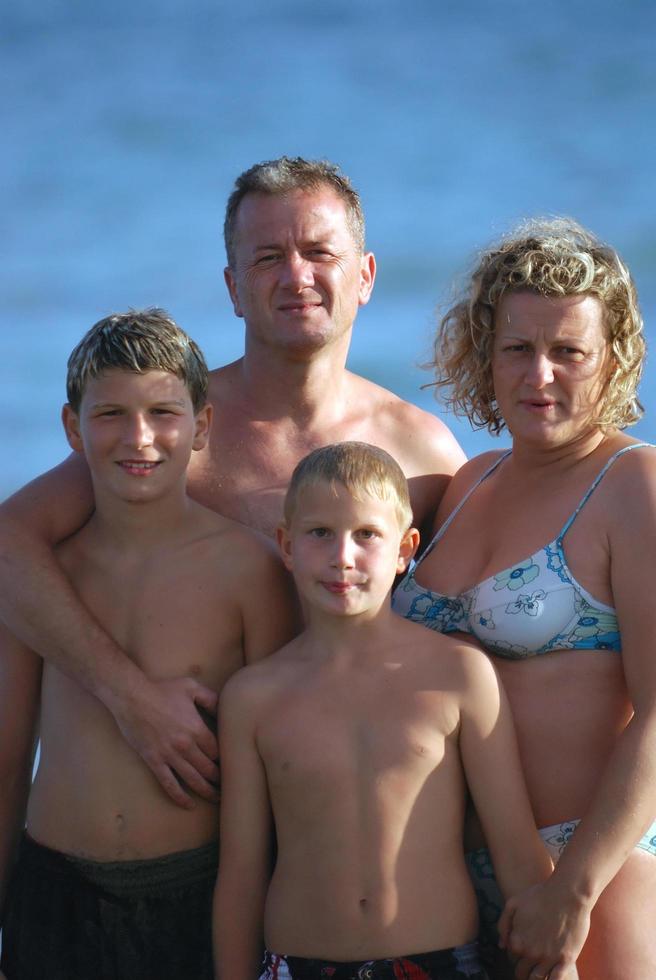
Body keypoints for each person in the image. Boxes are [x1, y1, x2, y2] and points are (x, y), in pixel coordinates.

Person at [0, 158, 465, 807]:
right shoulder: (174, 429)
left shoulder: (422, 452)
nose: (296, 275)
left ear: (364, 276)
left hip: (337, 823)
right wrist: (130, 699)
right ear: (233, 286)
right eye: (268, 256)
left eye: (318, 252)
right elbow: (10, 544)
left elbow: (470, 635)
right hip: (191, 812)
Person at [392, 218, 656, 980]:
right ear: (486, 354)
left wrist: (571, 895)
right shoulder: (471, 484)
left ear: (612, 361)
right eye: (518, 348)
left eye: (568, 351)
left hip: (587, 872)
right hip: (449, 884)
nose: (540, 375)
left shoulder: (632, 486)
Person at [0, 310, 297, 979]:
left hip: (196, 892)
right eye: (110, 414)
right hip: (53, 890)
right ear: (73, 428)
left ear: (204, 427)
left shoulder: (249, 572)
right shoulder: (43, 582)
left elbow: (281, 773)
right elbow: (8, 759)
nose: (139, 437)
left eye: (164, 411)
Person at [214, 442, 579, 980]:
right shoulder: (253, 697)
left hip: (440, 963)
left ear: (406, 548)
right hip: (296, 964)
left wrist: (557, 968)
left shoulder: (458, 675)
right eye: (320, 533)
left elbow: (515, 853)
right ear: (286, 546)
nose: (343, 556)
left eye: (366, 535)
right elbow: (241, 874)